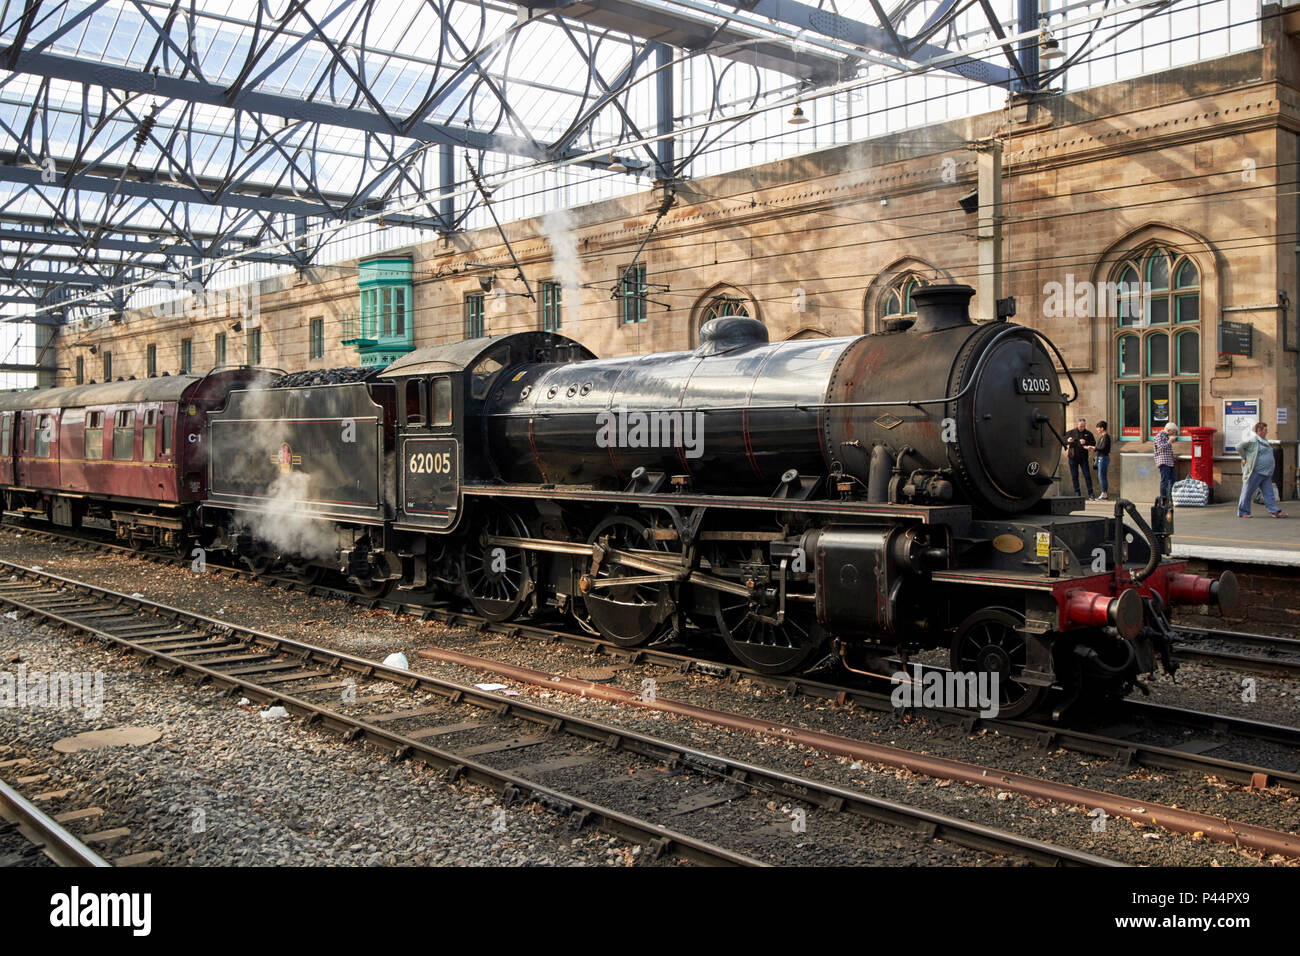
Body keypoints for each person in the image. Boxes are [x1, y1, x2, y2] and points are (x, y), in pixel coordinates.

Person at [1237, 421, 1287, 518]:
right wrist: (1244, 458)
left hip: (1266, 473)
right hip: (1255, 471)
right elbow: (1239, 446)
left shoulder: (1264, 440)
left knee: (1269, 493)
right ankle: (1243, 512)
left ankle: (1274, 511)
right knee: (1247, 492)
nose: (1266, 432)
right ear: (1259, 431)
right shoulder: (1252, 439)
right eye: (1265, 430)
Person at [1063, 417, 1096, 499]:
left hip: (1083, 458)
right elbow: (1062, 440)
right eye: (1080, 426)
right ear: (1077, 425)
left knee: (1087, 475)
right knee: (1074, 476)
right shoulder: (1071, 432)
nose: (1082, 428)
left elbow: (1093, 443)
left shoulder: (1088, 433)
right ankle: (1077, 492)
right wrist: (1068, 441)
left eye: (1083, 426)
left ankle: (1090, 493)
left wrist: (1086, 442)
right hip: (1072, 457)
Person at [1152, 422, 1177, 501]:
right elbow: (1161, 448)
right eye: (1173, 432)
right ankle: (1163, 498)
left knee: (1173, 479)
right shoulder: (1159, 436)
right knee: (1164, 481)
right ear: (1169, 430)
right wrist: (1170, 441)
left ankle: (1170, 498)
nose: (1174, 433)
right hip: (1163, 461)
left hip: (1170, 461)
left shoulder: (1166, 436)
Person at [1094, 420, 1112, 500]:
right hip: (1101, 457)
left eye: (1098, 428)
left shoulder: (1106, 437)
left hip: (1103, 458)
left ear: (1102, 428)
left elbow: (1104, 448)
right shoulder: (1102, 437)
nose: (1097, 429)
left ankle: (1104, 494)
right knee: (1101, 476)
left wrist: (1094, 448)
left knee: (1102, 476)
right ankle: (1103, 493)